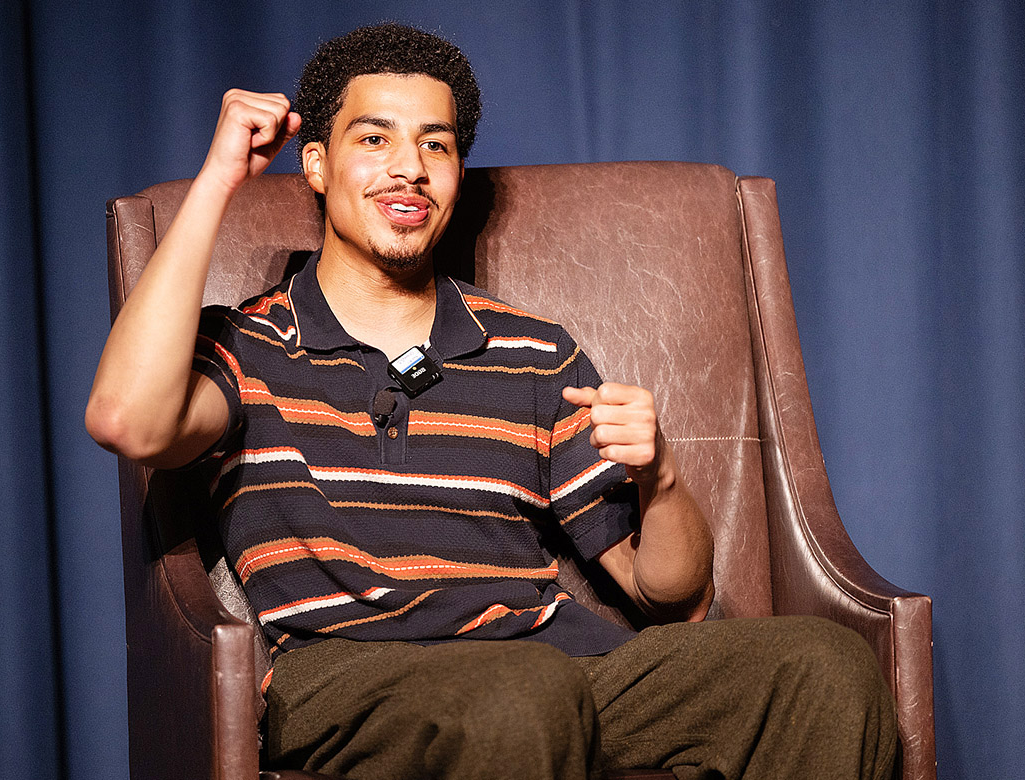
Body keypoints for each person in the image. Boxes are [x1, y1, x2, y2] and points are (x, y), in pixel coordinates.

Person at [87, 23, 896, 780]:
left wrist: (664, 480)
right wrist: (221, 176)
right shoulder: (250, 343)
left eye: (433, 144)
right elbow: (128, 419)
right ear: (319, 164)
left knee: (823, 668)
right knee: (517, 694)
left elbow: (672, 599)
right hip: (351, 671)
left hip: (553, 664)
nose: (408, 166)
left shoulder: (531, 351)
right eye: (374, 139)